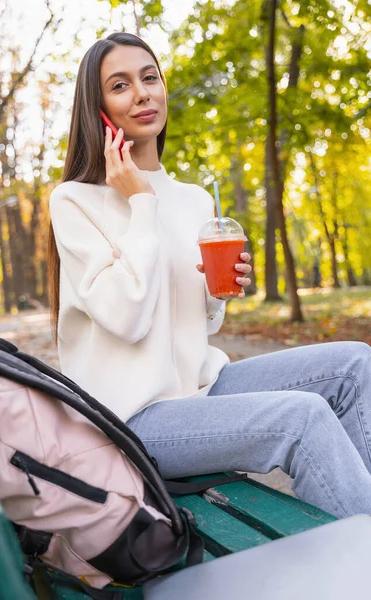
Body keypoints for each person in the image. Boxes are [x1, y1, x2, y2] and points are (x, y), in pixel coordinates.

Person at [49, 32, 371, 519]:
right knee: (301, 418)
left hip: (200, 388)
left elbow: (202, 324)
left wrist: (220, 291)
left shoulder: (196, 198)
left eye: (150, 77)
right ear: (98, 110)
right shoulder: (75, 200)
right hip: (130, 419)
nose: (142, 93)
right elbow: (129, 319)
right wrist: (140, 202)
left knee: (354, 365)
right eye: (120, 85)